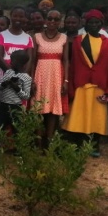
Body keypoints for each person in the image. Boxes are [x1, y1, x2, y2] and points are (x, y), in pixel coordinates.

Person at [62, 10, 108, 157]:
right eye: (91, 22)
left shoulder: (107, 43)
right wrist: (71, 85)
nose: (94, 25)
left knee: (97, 117)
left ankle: (94, 145)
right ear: (86, 24)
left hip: (99, 85)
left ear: (101, 24)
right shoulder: (79, 40)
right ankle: (77, 145)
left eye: (97, 22)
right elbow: (74, 65)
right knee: (79, 115)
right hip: (81, 84)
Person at [32, 9, 69, 146]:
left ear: (60, 22)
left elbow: (65, 60)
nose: (52, 21)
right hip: (40, 75)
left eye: (56, 19)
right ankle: (38, 141)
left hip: (56, 76)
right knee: (37, 108)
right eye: (50, 18)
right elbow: (33, 59)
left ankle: (49, 140)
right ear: (46, 20)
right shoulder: (37, 37)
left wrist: (65, 80)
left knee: (53, 110)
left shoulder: (64, 38)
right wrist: (31, 79)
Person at [0, 50, 32, 129]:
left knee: (17, 130)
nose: (10, 62)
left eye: (12, 60)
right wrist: (5, 84)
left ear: (20, 63)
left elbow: (26, 96)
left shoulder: (26, 78)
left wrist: (17, 89)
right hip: (3, 105)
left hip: (16, 107)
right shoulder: (9, 72)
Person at [0, 6, 34, 75]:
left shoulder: (28, 38)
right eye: (15, 16)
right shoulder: (2, 35)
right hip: (4, 74)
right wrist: (11, 72)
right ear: (10, 17)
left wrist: (23, 75)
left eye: (21, 16)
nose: (18, 18)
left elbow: (30, 59)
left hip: (22, 76)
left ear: (25, 18)